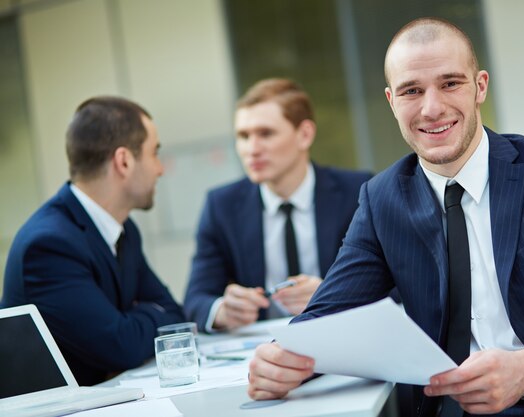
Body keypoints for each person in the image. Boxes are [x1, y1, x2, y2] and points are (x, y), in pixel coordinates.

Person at [246, 18, 524, 417]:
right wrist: (281, 360)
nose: (432, 108)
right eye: (412, 90)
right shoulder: (382, 199)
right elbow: (328, 314)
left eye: (450, 83)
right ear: (392, 101)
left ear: (480, 86)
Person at [1, 96, 185, 386]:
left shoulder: (125, 229)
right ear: (123, 161)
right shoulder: (49, 245)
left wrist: (133, 322)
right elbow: (121, 347)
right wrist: (144, 317)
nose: (160, 169)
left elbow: (174, 314)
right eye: (154, 153)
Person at [183, 78, 372, 332]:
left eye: (266, 134)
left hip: (345, 336)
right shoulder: (222, 206)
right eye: (243, 136)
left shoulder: (359, 193)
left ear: (304, 135)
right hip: (261, 347)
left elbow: (398, 285)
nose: (252, 148)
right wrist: (222, 310)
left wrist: (333, 295)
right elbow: (196, 299)